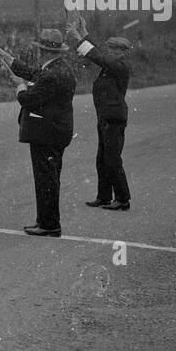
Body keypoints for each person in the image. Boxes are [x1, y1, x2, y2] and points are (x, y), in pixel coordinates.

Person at [0, 28, 76, 237]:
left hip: (47, 134)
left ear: (44, 51)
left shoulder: (52, 74)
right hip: (55, 132)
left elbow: (29, 99)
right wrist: (8, 59)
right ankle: (46, 221)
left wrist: (20, 87)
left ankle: (49, 224)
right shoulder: (58, 68)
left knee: (45, 179)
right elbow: (33, 73)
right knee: (48, 177)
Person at [66, 18, 132, 211]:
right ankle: (104, 196)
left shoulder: (120, 66)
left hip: (113, 118)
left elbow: (97, 56)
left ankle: (122, 199)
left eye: (113, 49)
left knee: (111, 159)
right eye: (110, 48)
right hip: (106, 116)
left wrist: (78, 38)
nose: (109, 51)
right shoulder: (114, 62)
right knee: (102, 159)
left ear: (121, 52)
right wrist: (85, 33)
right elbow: (99, 53)